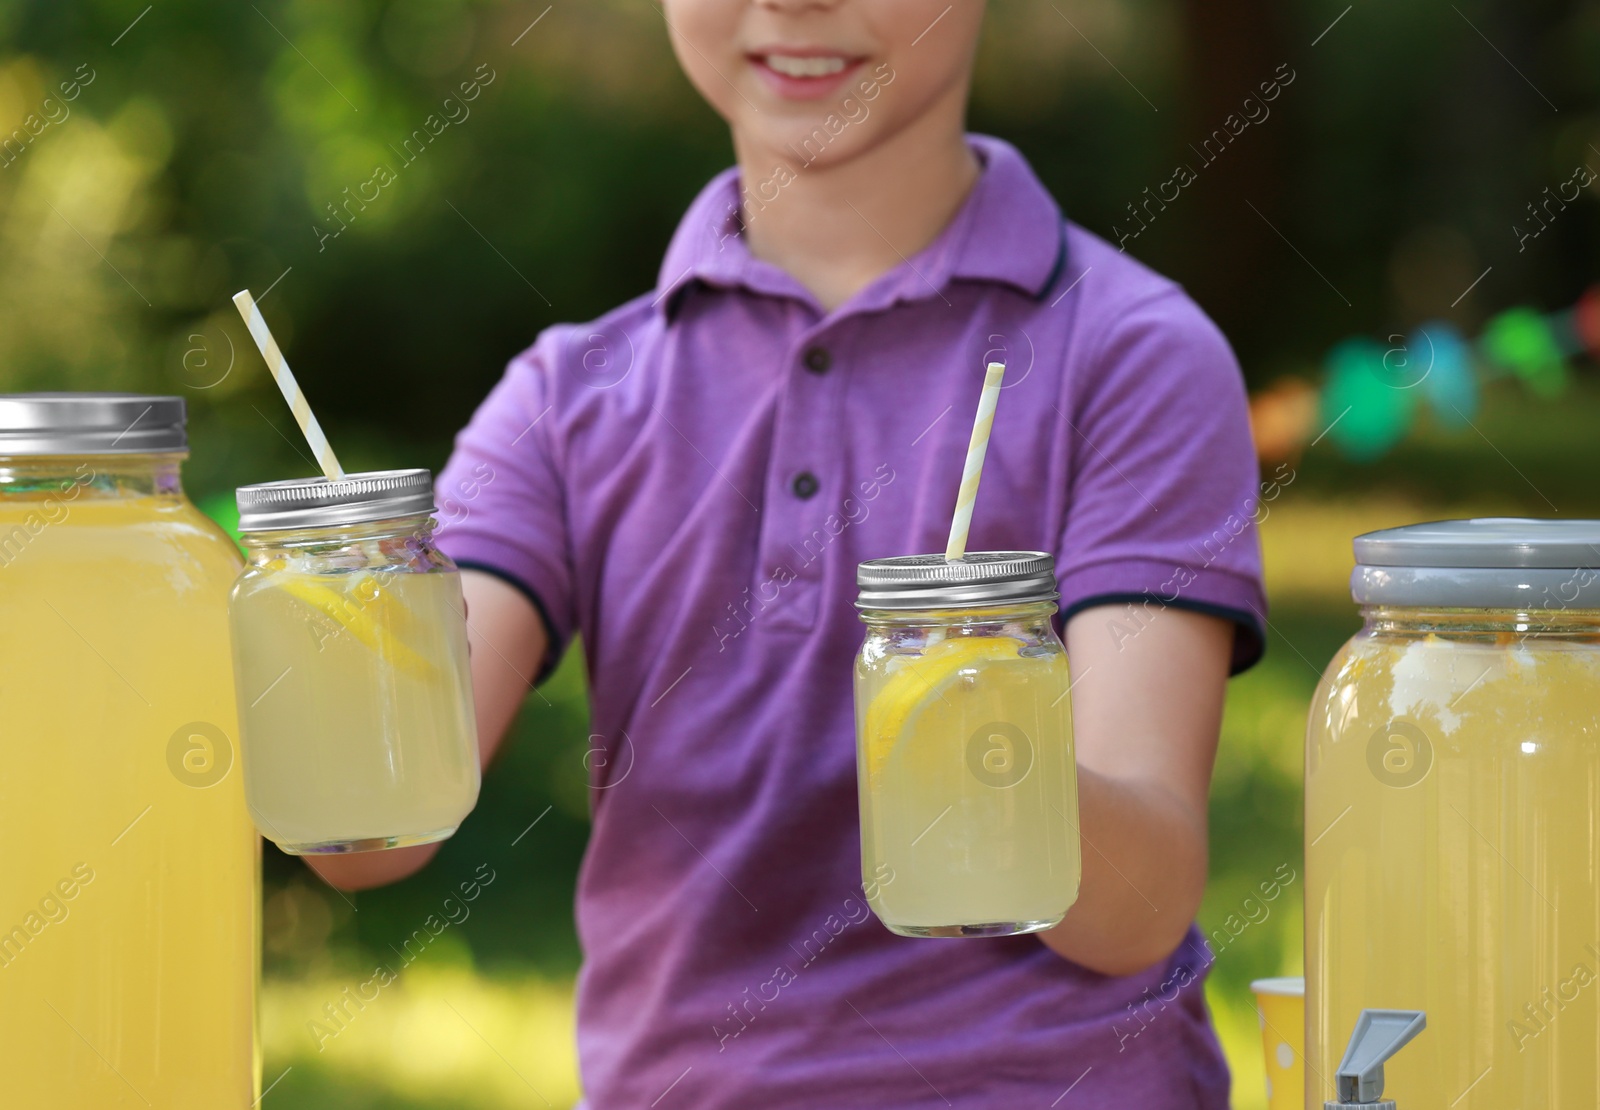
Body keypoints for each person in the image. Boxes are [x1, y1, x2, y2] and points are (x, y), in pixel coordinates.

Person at [311, 1, 1267, 1105]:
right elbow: (369, 838)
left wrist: (980, 726)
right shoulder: (567, 399)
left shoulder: (1136, 358)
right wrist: (298, 644)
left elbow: (1135, 913)